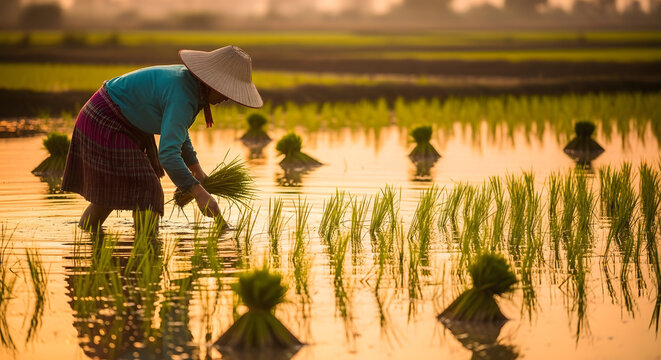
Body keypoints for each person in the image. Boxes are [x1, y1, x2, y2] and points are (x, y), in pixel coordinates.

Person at [62, 45, 263, 230]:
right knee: (147, 189)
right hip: (106, 121)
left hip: (119, 119)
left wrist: (197, 170)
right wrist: (199, 193)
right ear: (212, 82)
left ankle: (87, 238)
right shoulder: (183, 94)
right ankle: (147, 249)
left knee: (107, 197)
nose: (227, 97)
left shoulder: (191, 86)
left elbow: (178, 132)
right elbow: (168, 154)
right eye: (226, 90)